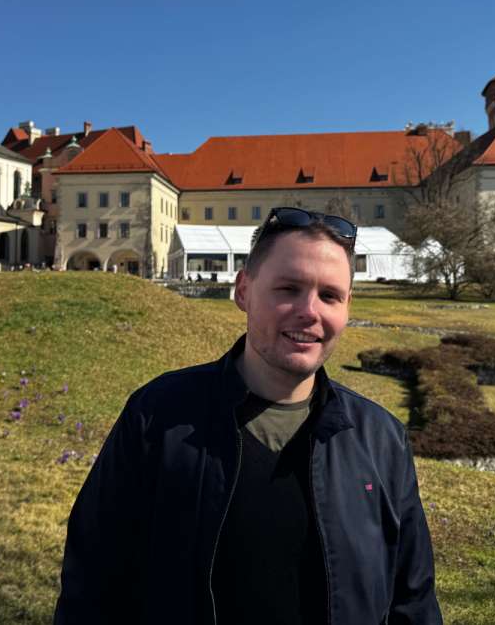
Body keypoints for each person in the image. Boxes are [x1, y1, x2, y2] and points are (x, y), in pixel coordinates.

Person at [55, 207, 441, 624]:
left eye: (330, 296)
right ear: (243, 291)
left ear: (346, 308)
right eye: (288, 289)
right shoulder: (159, 417)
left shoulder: (381, 439)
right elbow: (92, 581)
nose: (309, 311)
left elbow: (412, 601)